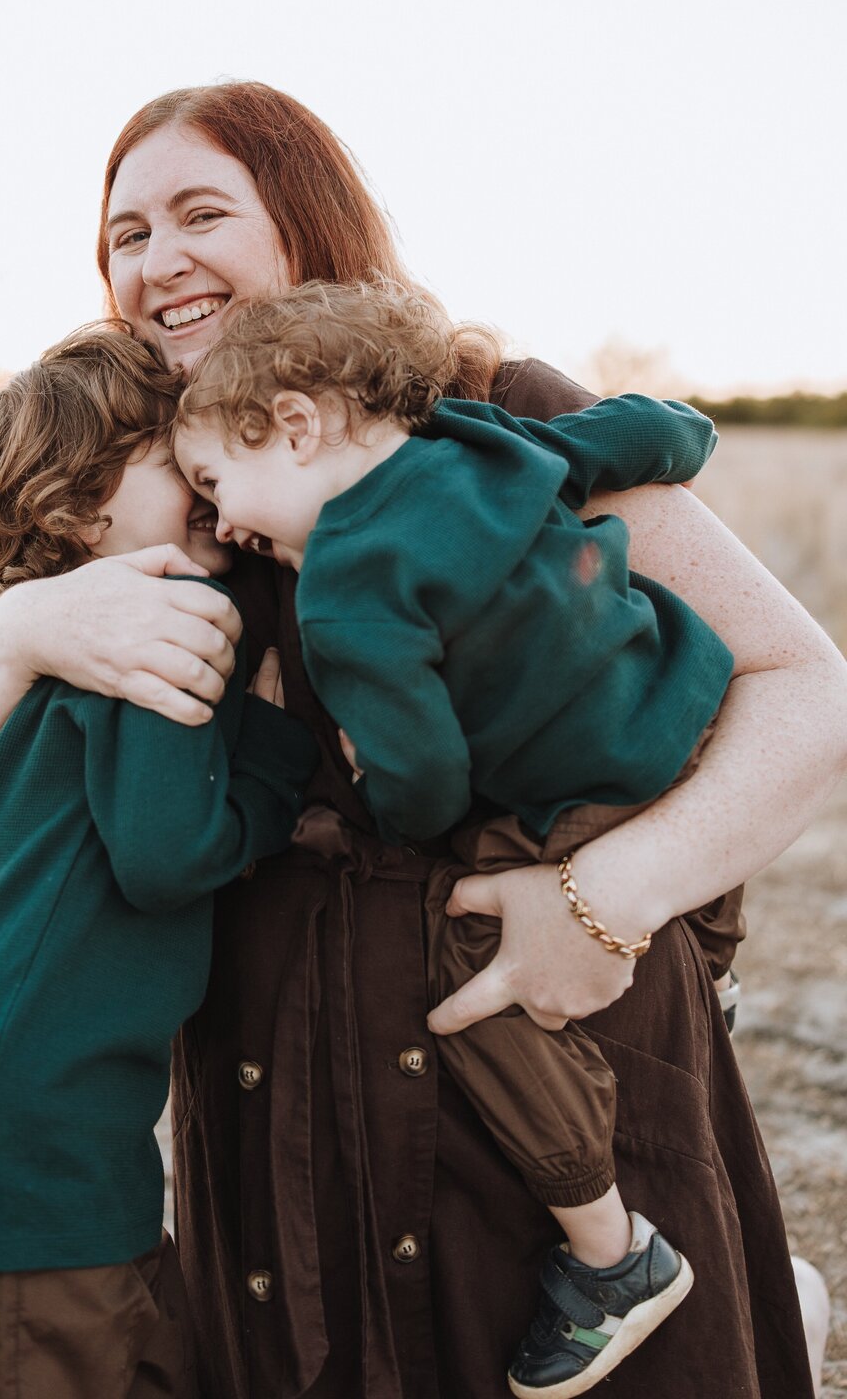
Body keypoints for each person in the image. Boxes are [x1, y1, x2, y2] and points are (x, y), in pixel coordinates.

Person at [0, 82, 847, 1398]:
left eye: (200, 213)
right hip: (273, 1096)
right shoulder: (155, 497)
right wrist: (15, 637)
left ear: (302, 219)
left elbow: (806, 684)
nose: (157, 258)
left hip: (534, 1052)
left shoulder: (481, 408)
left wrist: (608, 896)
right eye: (126, 234)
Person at [172, 278, 746, 1396]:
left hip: (581, 798)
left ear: (292, 427)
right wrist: (691, 429)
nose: (223, 521)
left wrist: (382, 814)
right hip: (685, 707)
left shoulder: (343, 587)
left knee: (477, 977)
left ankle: (611, 1256)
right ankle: (713, 970)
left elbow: (426, 775)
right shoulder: (482, 441)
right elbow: (633, 434)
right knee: (670, 867)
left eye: (215, 481)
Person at [0, 323, 317, 1399]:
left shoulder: (62, 659)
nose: (208, 483)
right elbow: (166, 855)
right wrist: (279, 760)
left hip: (12, 1127)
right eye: (173, 460)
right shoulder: (155, 623)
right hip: (18, 1156)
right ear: (81, 511)